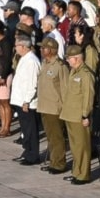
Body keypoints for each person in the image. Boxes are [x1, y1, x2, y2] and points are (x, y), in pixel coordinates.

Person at [62, 44, 96, 185]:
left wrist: (85, 115)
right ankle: (76, 172)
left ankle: (83, 175)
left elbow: (88, 96)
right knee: (75, 146)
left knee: (82, 146)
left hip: (79, 116)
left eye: (69, 58)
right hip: (70, 114)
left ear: (76, 59)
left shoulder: (85, 74)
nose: (67, 61)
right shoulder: (73, 72)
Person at [37, 37, 70, 173]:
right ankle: (53, 161)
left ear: (51, 50)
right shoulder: (45, 63)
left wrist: (65, 108)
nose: (41, 49)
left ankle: (59, 164)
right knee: (50, 137)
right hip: (44, 105)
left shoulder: (60, 66)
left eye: (43, 47)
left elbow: (65, 87)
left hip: (55, 107)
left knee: (56, 137)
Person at [10, 37, 42, 164]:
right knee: (25, 129)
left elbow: (32, 83)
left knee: (30, 130)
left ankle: (33, 155)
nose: (15, 47)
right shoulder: (24, 59)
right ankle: (26, 151)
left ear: (23, 46)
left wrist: (27, 101)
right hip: (19, 100)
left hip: (27, 102)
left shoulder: (31, 61)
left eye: (17, 45)